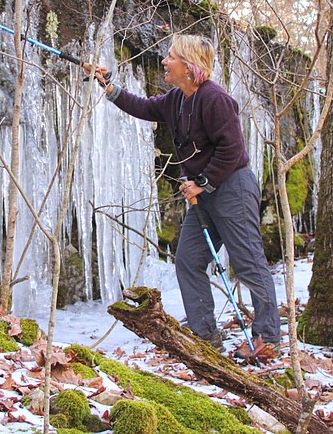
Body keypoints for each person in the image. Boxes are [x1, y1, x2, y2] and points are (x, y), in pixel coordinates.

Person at [84, 34, 280, 353]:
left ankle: (267, 338)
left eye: (170, 56)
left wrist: (202, 180)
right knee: (188, 260)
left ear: (188, 67)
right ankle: (205, 336)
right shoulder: (176, 99)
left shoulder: (215, 99)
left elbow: (232, 149)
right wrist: (107, 85)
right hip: (203, 193)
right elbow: (143, 107)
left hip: (233, 188)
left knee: (248, 264)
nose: (164, 61)